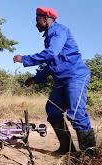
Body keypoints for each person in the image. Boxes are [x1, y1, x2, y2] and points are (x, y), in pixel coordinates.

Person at [13, 7, 96, 155]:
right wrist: (35, 79)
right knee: (53, 111)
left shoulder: (59, 31)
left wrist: (24, 59)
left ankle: (90, 155)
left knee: (76, 114)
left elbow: (51, 54)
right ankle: (67, 149)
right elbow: (52, 63)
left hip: (75, 77)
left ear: (45, 19)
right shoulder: (50, 36)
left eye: (37, 20)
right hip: (61, 80)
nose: (36, 24)